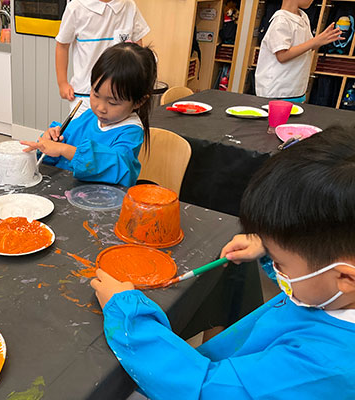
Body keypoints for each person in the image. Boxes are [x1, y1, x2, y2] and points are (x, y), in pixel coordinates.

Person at [90, 125, 355, 398]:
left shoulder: (321, 369)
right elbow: (316, 282)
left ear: (345, 278)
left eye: (281, 264)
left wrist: (129, 317)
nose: (277, 269)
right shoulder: (335, 290)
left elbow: (201, 390)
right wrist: (268, 249)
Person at [21, 42, 156, 187]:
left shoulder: (130, 131)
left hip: (103, 202)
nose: (100, 108)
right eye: (96, 95)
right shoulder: (89, 116)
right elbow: (57, 155)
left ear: (138, 102)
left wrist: (64, 150)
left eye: (113, 103)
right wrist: (51, 142)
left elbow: (118, 167)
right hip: (68, 191)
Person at [55, 0, 150, 116]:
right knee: (82, 132)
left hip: (119, 97)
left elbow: (136, 46)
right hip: (85, 95)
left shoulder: (129, 6)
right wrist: (62, 83)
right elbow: (62, 46)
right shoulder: (75, 7)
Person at [255, 0, 342, 102]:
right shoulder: (281, 21)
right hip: (277, 91)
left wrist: (321, 40)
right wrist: (314, 41)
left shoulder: (303, 17)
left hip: (295, 90)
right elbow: (282, 56)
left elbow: (305, 47)